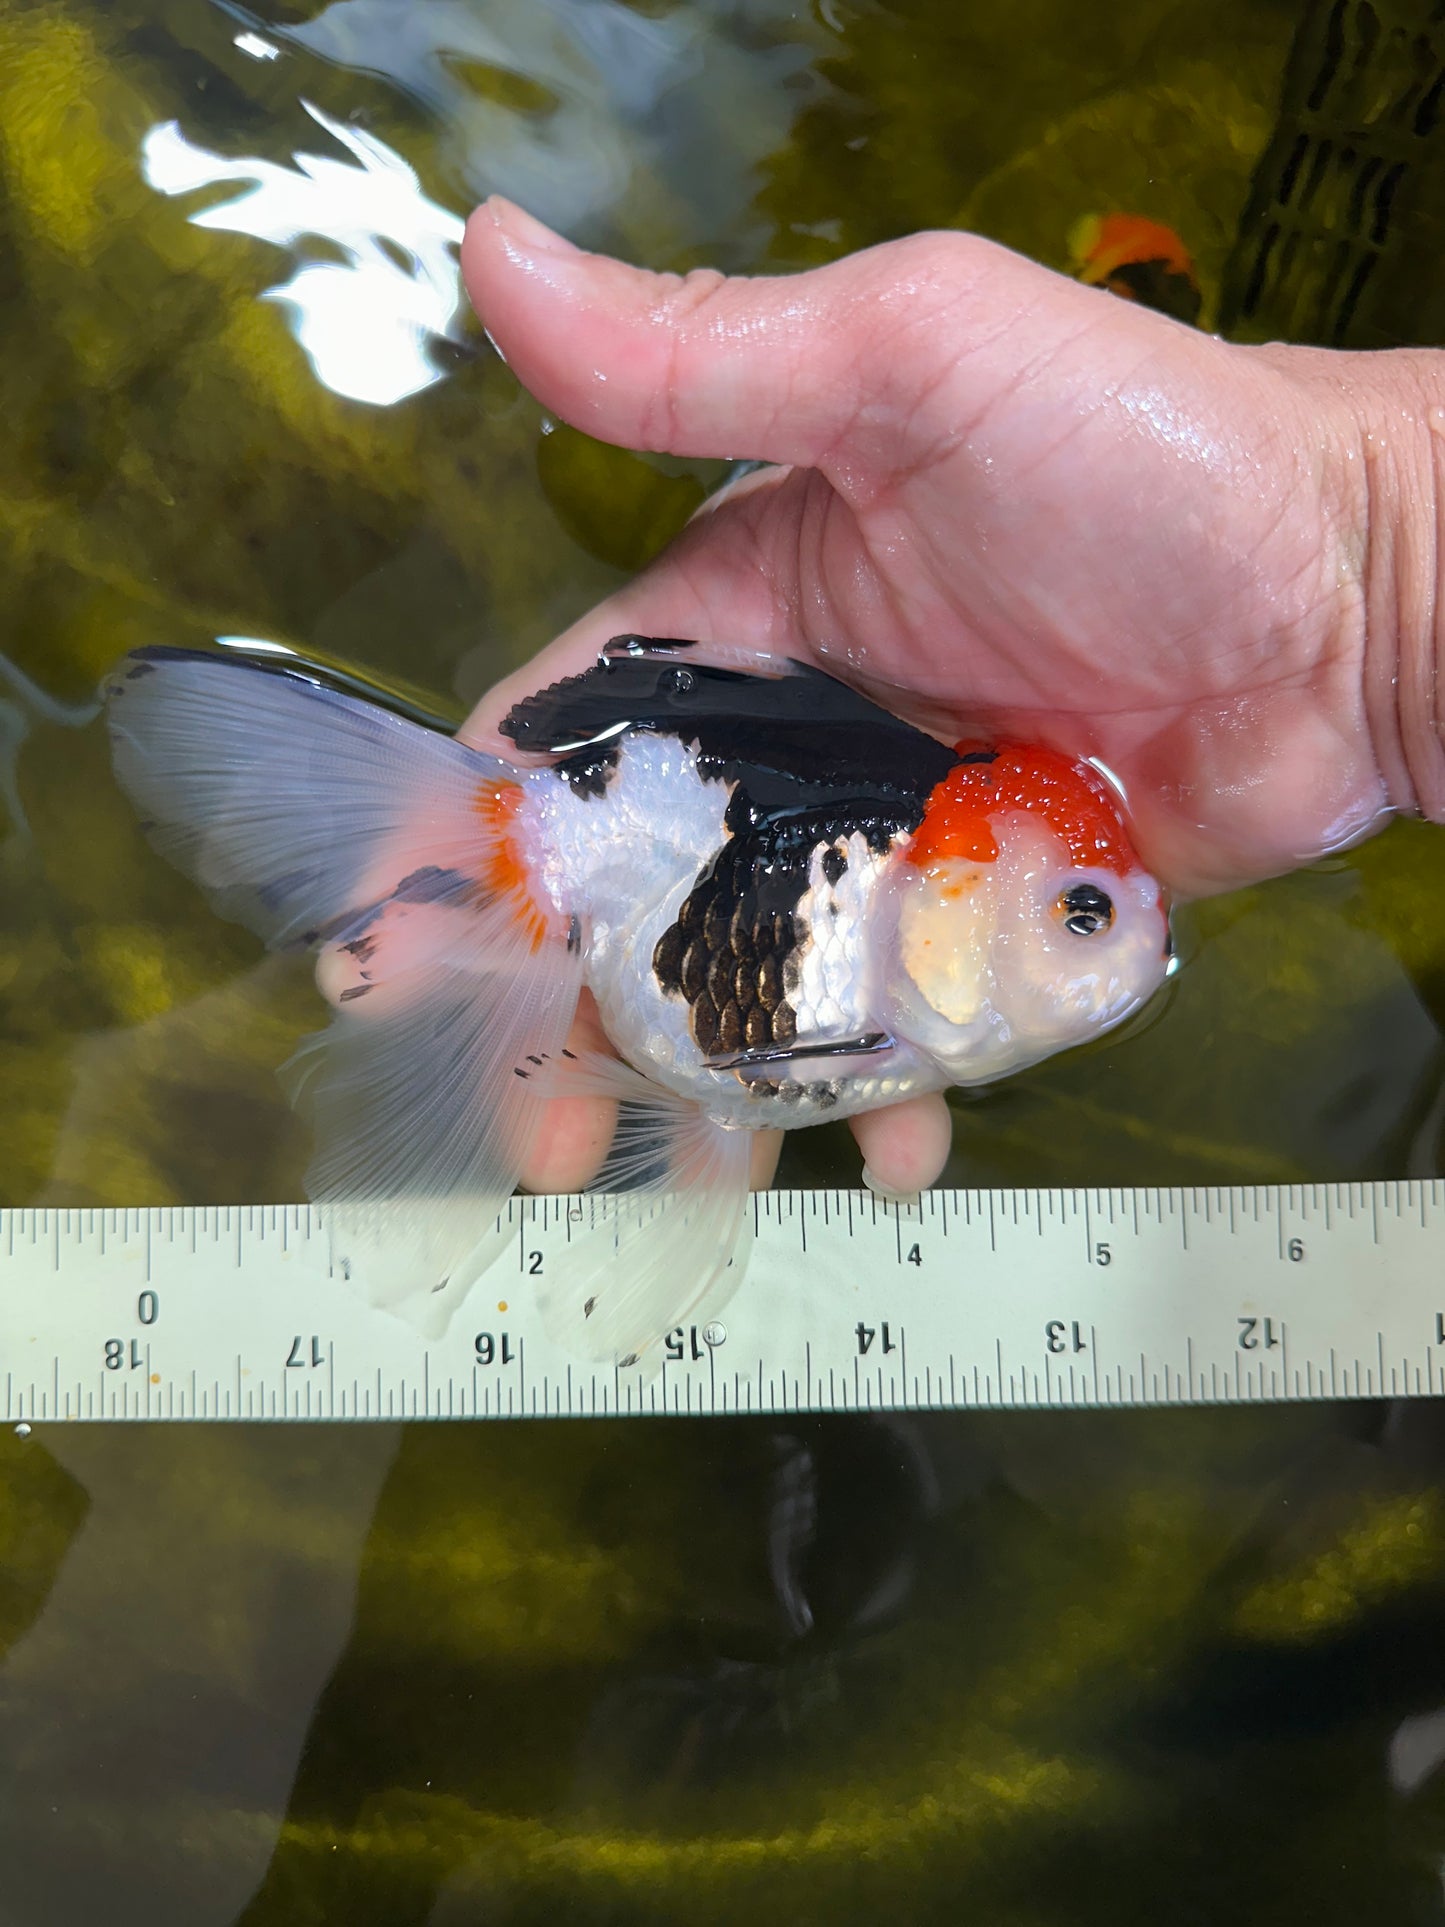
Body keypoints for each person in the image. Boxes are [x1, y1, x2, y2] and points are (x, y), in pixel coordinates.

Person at [458, 197, 1445, 1200]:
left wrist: (1377, 566)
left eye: (1083, 914)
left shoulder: (888, 990)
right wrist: (1374, 562)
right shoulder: (879, 949)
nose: (1131, 938)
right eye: (1079, 912)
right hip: (633, 824)